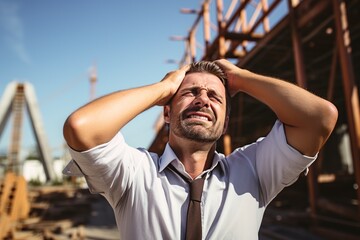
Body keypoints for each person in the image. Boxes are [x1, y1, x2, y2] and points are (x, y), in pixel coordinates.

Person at [63, 59, 338, 239]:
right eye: (190, 92)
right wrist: (164, 88)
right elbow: (81, 127)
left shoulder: (254, 171)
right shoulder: (134, 174)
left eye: (215, 96)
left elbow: (319, 118)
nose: (203, 100)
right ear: (167, 114)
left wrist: (241, 78)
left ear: (226, 121)